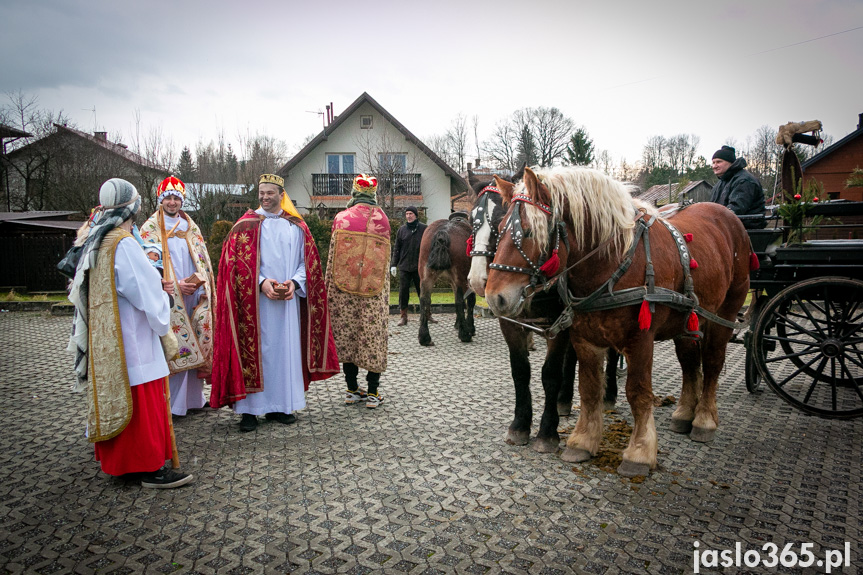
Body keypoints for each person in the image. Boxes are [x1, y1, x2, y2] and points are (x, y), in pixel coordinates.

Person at [67, 178, 193, 488]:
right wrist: (163, 310)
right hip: (133, 340)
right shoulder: (122, 243)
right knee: (141, 402)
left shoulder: (97, 239)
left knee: (119, 397)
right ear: (132, 208)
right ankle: (148, 468)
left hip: (108, 339)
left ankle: (122, 467)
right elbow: (145, 292)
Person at [210, 174, 339, 432]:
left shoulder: (296, 226)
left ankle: (280, 406)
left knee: (284, 352)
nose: (265, 197)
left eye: (270, 193)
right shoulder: (244, 226)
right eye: (261, 193)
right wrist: (261, 282)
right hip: (253, 305)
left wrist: (295, 283)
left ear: (282, 194)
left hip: (288, 304)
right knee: (255, 352)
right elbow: (232, 267)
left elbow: (308, 264)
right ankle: (248, 411)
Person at [139, 176, 215, 416]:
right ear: (161, 200)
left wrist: (202, 283)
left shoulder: (190, 225)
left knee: (197, 339)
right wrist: (173, 285)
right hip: (170, 294)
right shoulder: (150, 228)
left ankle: (194, 399)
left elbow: (202, 257)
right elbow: (148, 265)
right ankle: (173, 405)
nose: (172, 203)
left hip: (193, 293)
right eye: (168, 198)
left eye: (176, 198)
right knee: (177, 344)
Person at [325, 174, 391, 408]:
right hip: (374, 292)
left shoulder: (341, 218)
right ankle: (373, 393)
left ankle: (352, 390)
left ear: (354, 193)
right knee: (373, 336)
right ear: (374, 194)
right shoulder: (383, 220)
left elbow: (333, 259)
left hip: (344, 292)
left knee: (348, 335)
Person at [390, 205, 435, 326]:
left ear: (416, 215)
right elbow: (397, 249)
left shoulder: (424, 229)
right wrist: (393, 264)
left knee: (423, 291)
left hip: (420, 267)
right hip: (404, 267)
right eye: (407, 214)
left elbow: (430, 248)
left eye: (411, 214)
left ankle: (427, 314)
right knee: (403, 292)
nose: (408, 216)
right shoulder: (401, 230)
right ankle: (403, 316)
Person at [709, 145, 766, 217]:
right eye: (713, 163)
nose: (715, 166)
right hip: (725, 223)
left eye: (719, 162)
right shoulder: (720, 183)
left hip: (746, 224)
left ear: (730, 162)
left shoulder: (744, 181)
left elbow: (736, 209)